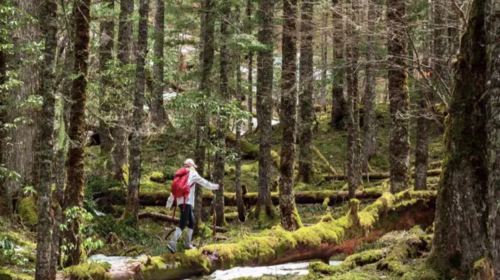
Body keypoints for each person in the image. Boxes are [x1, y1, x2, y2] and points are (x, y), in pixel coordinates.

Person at [165, 158, 219, 253]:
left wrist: (169, 203)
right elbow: (203, 182)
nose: (195, 168)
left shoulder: (180, 175)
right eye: (194, 166)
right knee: (182, 223)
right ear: (192, 166)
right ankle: (172, 243)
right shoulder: (192, 173)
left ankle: (187, 244)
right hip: (187, 202)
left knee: (192, 222)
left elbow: (173, 191)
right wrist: (214, 186)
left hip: (181, 202)